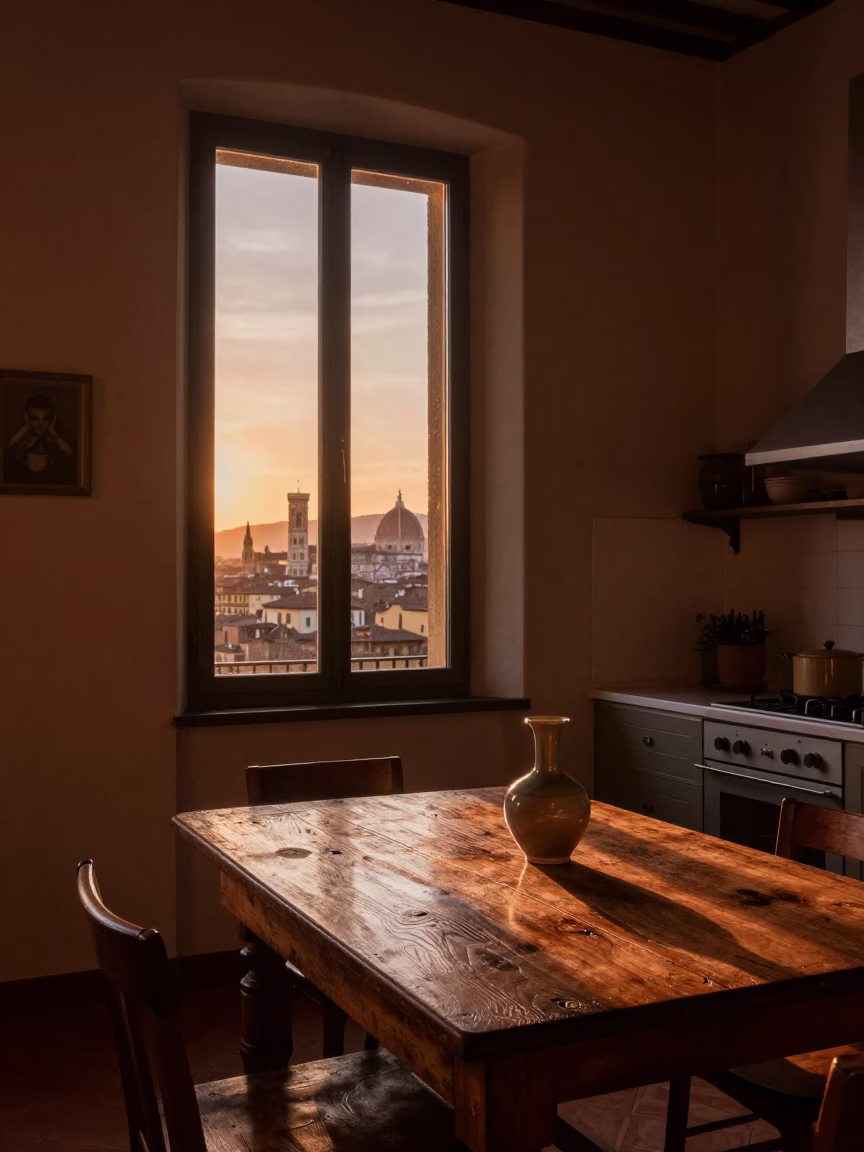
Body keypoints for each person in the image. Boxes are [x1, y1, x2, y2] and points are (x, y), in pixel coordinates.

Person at [5, 393, 75, 484]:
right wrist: (25, 428)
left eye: (45, 419)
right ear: (27, 418)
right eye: (35, 419)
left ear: (51, 420)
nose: (40, 424)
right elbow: (7, 452)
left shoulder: (55, 443)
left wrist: (54, 435)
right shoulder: (23, 442)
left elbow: (71, 456)